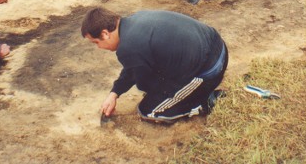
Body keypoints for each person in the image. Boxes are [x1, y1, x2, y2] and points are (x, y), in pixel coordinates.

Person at [82, 7, 228, 124]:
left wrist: (157, 95)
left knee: (150, 111)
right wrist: (114, 93)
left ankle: (205, 102)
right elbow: (133, 68)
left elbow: (146, 83)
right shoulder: (134, 20)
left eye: (96, 42)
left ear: (105, 34)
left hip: (209, 70)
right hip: (219, 48)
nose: (98, 47)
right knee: (157, 83)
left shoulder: (128, 47)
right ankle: (194, 94)